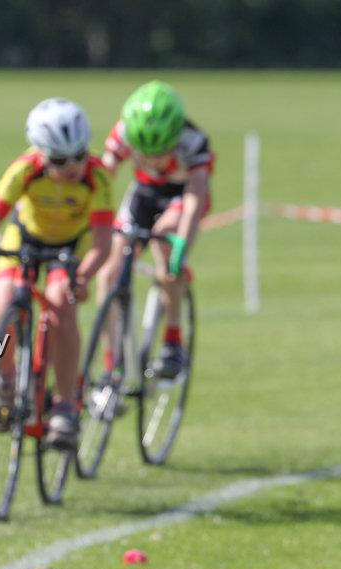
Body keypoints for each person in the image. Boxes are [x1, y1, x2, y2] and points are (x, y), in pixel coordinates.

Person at [0, 98, 114, 449]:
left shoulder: (97, 176)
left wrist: (84, 275)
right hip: (25, 238)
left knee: (62, 302)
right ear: (43, 154)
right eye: (61, 160)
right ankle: (5, 380)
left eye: (79, 155)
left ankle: (64, 406)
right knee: (3, 303)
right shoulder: (25, 169)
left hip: (70, 247)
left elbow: (103, 242)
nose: (73, 166)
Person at [99, 80, 214, 379]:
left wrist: (180, 251)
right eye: (143, 153)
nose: (150, 159)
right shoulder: (125, 131)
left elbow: (193, 203)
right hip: (144, 194)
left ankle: (173, 341)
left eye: (159, 153)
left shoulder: (194, 143)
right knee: (109, 273)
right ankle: (112, 364)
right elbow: (101, 178)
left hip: (182, 196)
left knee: (164, 241)